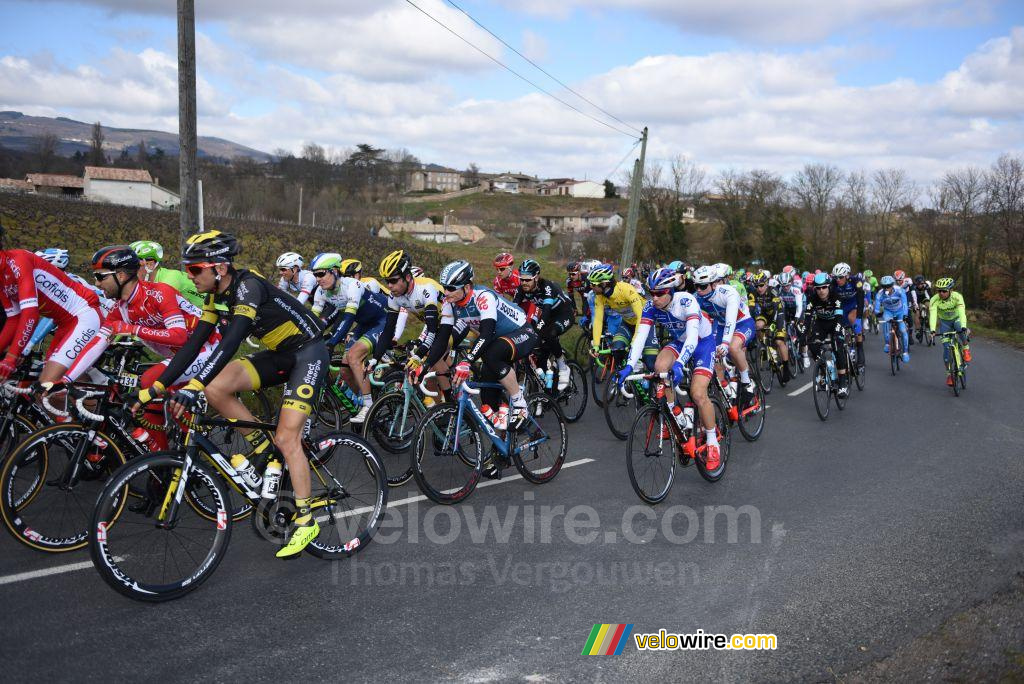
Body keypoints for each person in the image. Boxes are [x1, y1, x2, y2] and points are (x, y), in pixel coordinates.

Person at [145, 231, 329, 559]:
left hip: (309, 353)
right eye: (187, 269)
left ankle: (305, 520)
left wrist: (192, 386)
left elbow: (231, 343)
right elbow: (193, 344)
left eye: (195, 269)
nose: (190, 276)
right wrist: (156, 388)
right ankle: (262, 447)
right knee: (215, 388)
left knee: (287, 439)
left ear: (219, 268)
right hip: (281, 354)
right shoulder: (215, 296)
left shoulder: (248, 287)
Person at [58, 245, 219, 450]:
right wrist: (65, 380)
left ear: (121, 275)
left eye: (100, 276)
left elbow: (178, 336)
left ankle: (197, 450)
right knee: (147, 402)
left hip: (208, 348)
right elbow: (97, 344)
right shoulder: (120, 308)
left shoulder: (160, 293)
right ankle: (163, 459)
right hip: (181, 356)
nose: (97, 283)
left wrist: (133, 329)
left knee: (150, 380)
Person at [424, 260, 536, 456]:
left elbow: (486, 333)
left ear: (467, 287)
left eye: (451, 288)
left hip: (522, 332)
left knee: (492, 353)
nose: (446, 292)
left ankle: (520, 404)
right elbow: (442, 340)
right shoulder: (450, 303)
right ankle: (501, 451)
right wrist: (424, 365)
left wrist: (466, 361)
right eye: (444, 287)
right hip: (497, 340)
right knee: (487, 399)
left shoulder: (483, 297)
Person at [616, 267, 721, 469]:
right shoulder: (650, 306)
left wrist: (680, 364)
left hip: (702, 343)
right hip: (679, 342)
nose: (654, 298)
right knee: (659, 366)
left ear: (670, 291)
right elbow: (640, 337)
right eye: (651, 293)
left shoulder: (686, 301)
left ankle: (712, 441)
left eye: (659, 293)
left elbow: (693, 337)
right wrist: (629, 366)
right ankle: (674, 414)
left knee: (698, 394)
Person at [0, 227, 102, 386]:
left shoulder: (18, 260)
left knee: (48, 383)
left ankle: (101, 392)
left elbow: (30, 314)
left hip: (84, 314)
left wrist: (11, 357)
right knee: (44, 389)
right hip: (64, 323)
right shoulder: (2, 278)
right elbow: (14, 319)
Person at [309, 253, 389, 424]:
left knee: (353, 356)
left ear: (335, 271)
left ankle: (369, 406)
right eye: (315, 275)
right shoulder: (321, 292)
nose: (318, 279)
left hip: (384, 320)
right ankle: (364, 397)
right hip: (365, 324)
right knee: (345, 368)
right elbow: (312, 321)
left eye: (321, 273)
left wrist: (331, 343)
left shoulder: (352, 285)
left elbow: (348, 318)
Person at [373, 250, 448, 398]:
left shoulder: (425, 288)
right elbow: (388, 330)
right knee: (432, 363)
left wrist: (419, 353)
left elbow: (432, 329)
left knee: (432, 358)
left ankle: (451, 403)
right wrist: (374, 359)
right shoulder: (395, 296)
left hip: (454, 322)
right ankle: (438, 405)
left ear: (407, 277)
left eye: (393, 281)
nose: (389, 286)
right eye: (387, 281)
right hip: (437, 326)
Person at [692, 264, 758, 399]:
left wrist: (725, 343)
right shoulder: (697, 298)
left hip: (743, 323)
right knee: (715, 357)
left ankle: (747, 381)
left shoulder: (728, 293)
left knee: (733, 347)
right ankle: (727, 391)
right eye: (696, 286)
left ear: (714, 284)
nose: (698, 290)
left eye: (702, 286)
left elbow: (730, 321)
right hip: (722, 326)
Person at [513, 259, 574, 390]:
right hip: (548, 316)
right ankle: (549, 390)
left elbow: (545, 312)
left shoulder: (547, 286)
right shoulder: (521, 289)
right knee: (539, 355)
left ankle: (563, 366)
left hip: (563, 313)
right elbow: (513, 310)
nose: (524, 283)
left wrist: (535, 331)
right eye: (521, 279)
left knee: (549, 334)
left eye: (528, 279)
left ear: (536, 277)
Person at [587, 264, 657, 371]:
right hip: (627, 323)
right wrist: (596, 345)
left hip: (645, 323)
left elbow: (640, 317)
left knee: (650, 362)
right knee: (617, 349)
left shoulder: (626, 289)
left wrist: (634, 342)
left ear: (604, 284)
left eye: (593, 284)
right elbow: (598, 320)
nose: (590, 287)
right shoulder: (600, 297)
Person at [804, 273, 850, 396]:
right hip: (821, 324)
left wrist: (837, 332)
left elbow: (839, 317)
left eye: (824, 287)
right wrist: (803, 334)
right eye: (818, 288)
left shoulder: (836, 296)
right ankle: (824, 370)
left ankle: (842, 383)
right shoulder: (812, 298)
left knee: (837, 346)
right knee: (813, 345)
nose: (821, 290)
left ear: (828, 286)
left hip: (836, 322)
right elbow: (807, 319)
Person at [748, 270, 792, 385]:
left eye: (761, 285)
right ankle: (764, 345)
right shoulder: (753, 293)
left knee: (779, 341)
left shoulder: (773, 291)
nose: (759, 288)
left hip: (778, 314)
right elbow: (750, 311)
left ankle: (786, 367)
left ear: (766, 283)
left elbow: (777, 309)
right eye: (756, 286)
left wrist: (775, 325)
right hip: (764, 315)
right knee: (758, 325)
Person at [130, 240, 203, 308]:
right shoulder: (151, 282)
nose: (129, 272)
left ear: (150, 265)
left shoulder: (170, 280)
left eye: (134, 266)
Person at [929, 277, 971, 385]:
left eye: (944, 291)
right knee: (946, 350)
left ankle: (965, 349)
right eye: (939, 291)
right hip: (944, 323)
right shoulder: (934, 300)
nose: (941, 293)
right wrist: (932, 330)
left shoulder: (957, 297)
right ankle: (949, 374)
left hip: (957, 319)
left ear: (950, 290)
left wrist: (964, 326)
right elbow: (933, 315)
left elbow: (962, 312)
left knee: (960, 330)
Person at [830, 263, 864, 368]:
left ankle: (860, 348)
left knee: (853, 321)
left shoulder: (855, 281)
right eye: (836, 277)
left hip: (853, 304)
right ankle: (846, 348)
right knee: (842, 329)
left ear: (847, 275)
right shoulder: (833, 283)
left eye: (840, 277)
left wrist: (859, 318)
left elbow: (861, 299)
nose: (838, 280)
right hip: (841, 306)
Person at [874, 275, 911, 363]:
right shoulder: (880, 294)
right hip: (888, 311)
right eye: (884, 286)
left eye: (889, 286)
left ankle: (905, 352)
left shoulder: (899, 290)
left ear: (892, 285)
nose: (886, 288)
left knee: (903, 330)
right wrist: (877, 313)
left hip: (900, 311)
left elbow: (904, 303)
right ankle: (887, 343)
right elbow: (877, 306)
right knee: (886, 323)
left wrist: (905, 315)